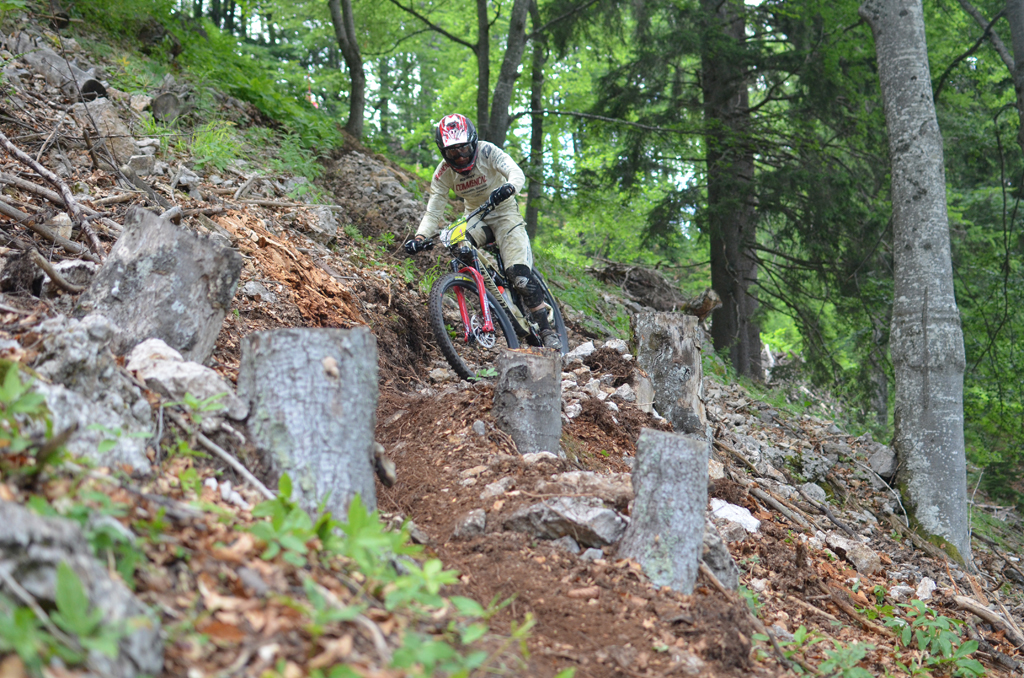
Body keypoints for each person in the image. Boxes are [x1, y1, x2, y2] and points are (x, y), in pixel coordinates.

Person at [405, 113, 560, 350]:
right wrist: (420, 237)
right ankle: (490, 292)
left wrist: (509, 187)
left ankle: (547, 330)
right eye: (452, 152)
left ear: (474, 142)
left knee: (519, 275)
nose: (460, 156)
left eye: (464, 149)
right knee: (458, 244)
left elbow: (515, 171)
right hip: (476, 217)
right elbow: (433, 210)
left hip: (505, 214)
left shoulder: (488, 152)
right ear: (443, 152)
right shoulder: (443, 172)